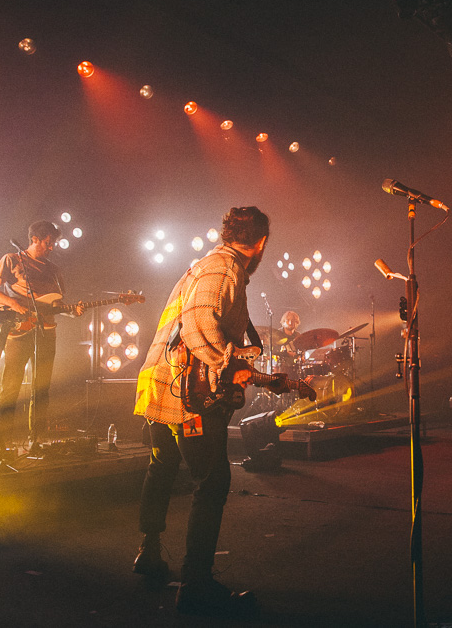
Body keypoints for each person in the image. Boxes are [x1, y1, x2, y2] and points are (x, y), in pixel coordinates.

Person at [132, 206, 279, 618]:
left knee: (161, 466)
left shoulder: (204, 265)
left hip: (162, 383)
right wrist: (234, 365)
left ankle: (148, 551)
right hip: (185, 394)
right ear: (261, 242)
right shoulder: (224, 268)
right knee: (212, 482)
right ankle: (195, 585)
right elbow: (199, 328)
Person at [0, 220, 80, 455]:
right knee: (11, 386)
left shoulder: (54, 270)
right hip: (19, 330)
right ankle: (2, 442)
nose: (51, 248)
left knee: (42, 388)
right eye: (48, 243)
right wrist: (14, 304)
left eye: (53, 243)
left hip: (46, 331)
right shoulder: (12, 259)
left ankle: (36, 439)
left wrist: (72, 311)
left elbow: (57, 304)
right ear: (34, 239)